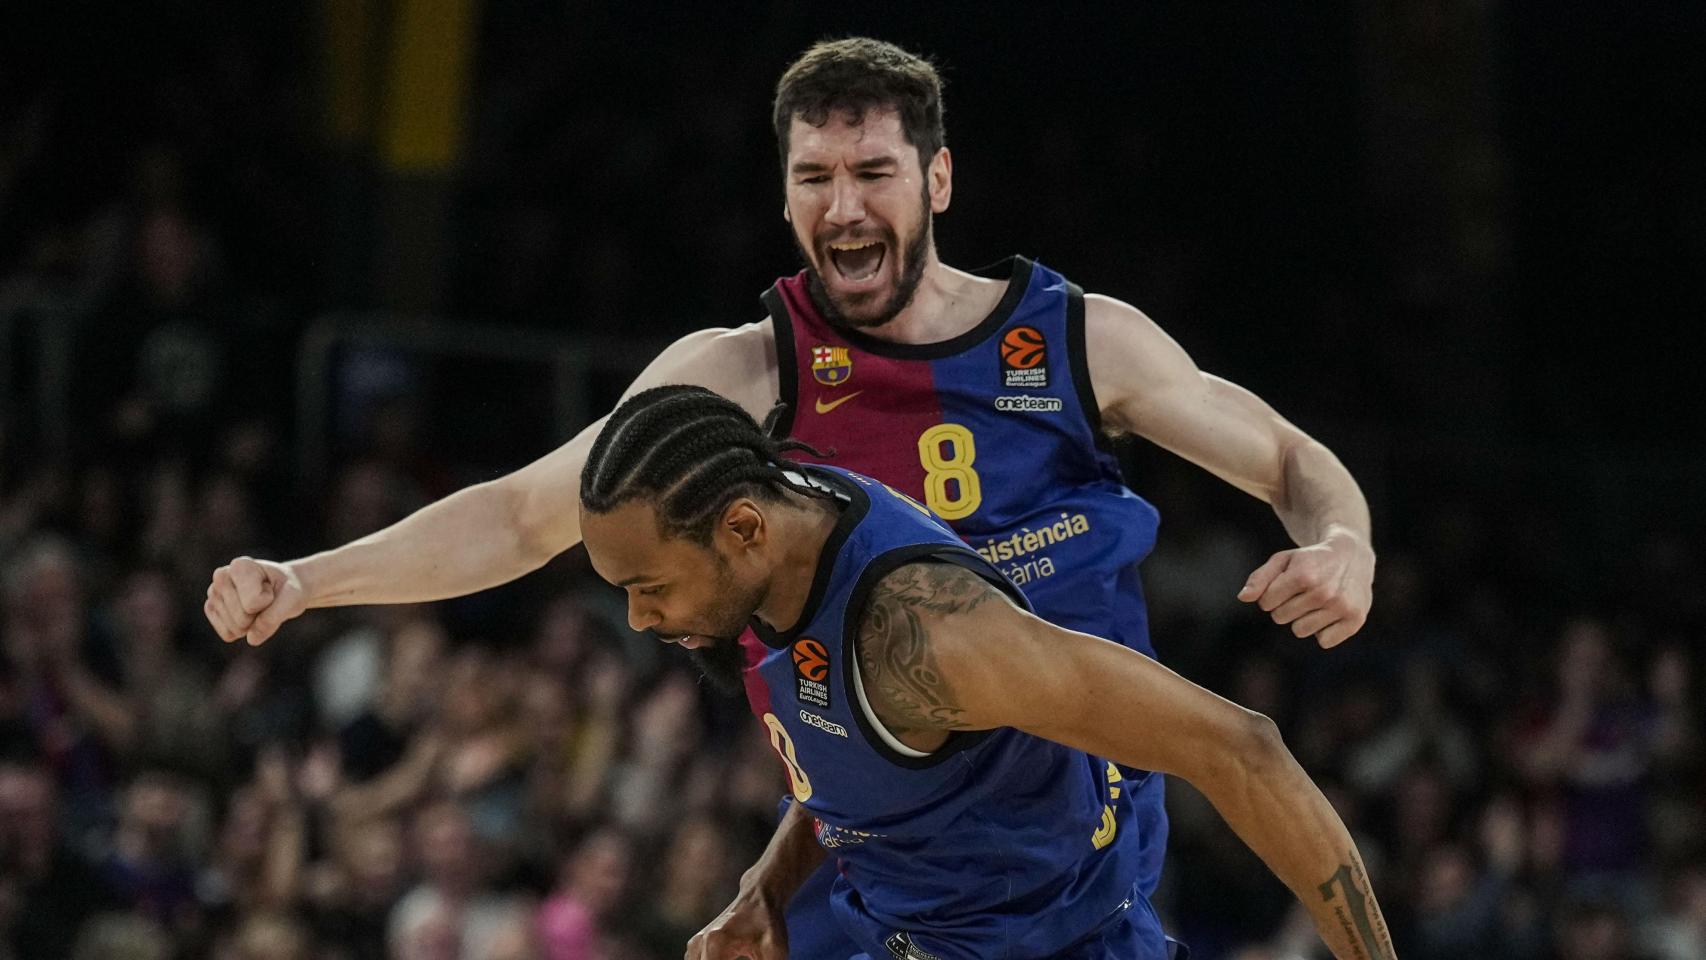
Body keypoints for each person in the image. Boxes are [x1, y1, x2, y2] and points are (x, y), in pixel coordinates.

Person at [205, 36, 1375, 957]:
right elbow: (519, 515)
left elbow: (1279, 456)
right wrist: (308, 580)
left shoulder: (1072, 340)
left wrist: (1338, 542)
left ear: (937, 178)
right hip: (872, 828)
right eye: (814, 177)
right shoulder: (743, 372)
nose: (844, 205)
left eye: (872, 172)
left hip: (1059, 835)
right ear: (783, 195)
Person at [574, 384, 1393, 960]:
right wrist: (764, 887)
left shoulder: (933, 636)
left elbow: (1242, 748)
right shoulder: (773, 524)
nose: (640, 619)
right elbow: (849, 759)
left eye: (649, 588)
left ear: (744, 528)